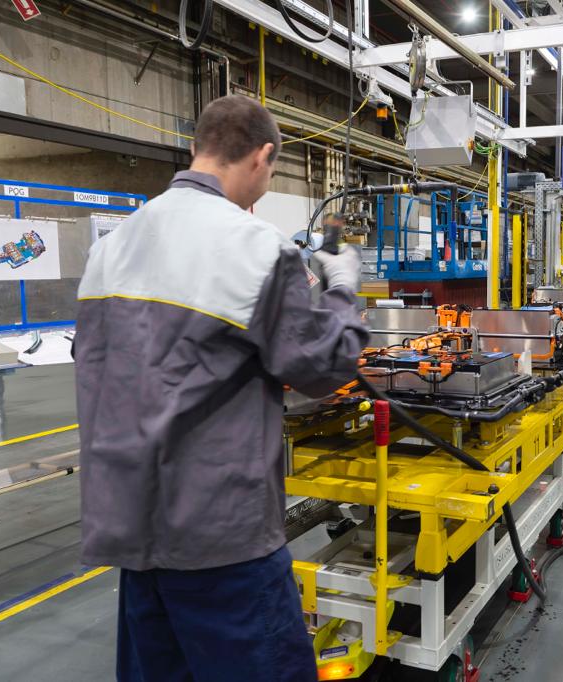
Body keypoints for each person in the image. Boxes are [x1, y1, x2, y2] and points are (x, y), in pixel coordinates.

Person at [74, 95, 368, 682]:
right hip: (221, 539)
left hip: (133, 529)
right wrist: (341, 288)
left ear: (195, 148)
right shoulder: (257, 249)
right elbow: (321, 367)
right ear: (262, 157)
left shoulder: (111, 247)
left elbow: (102, 359)